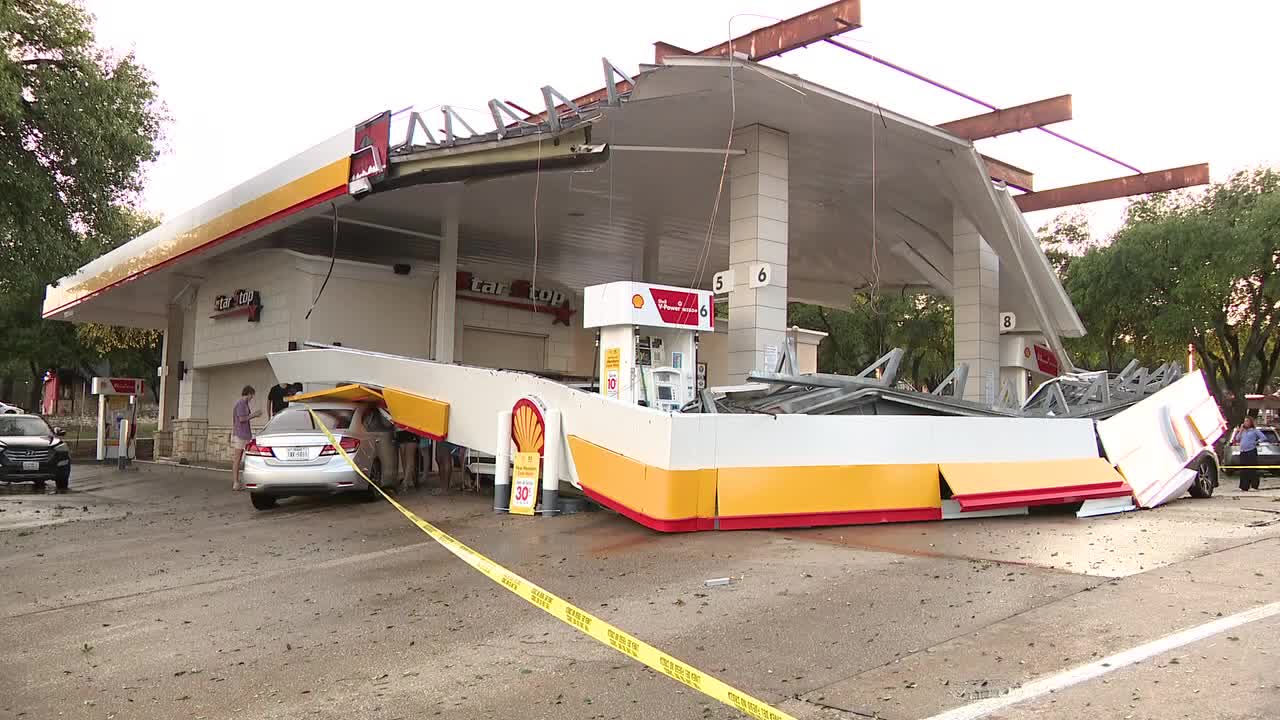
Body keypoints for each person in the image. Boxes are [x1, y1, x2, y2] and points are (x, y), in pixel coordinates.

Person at [230, 385, 261, 492]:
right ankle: (236, 482)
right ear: (248, 394)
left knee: (247, 458)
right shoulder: (240, 404)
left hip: (246, 434)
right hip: (240, 434)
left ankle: (243, 481)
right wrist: (254, 415)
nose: (252, 397)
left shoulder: (245, 404)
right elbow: (242, 419)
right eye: (252, 395)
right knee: (237, 459)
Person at [1238, 416, 1265, 491]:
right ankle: (1244, 486)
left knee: (1252, 469)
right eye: (1244, 421)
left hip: (1251, 451)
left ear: (1250, 423)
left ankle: (1254, 486)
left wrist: (1256, 442)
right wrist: (1240, 430)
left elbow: (1263, 437)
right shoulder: (1243, 431)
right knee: (1244, 469)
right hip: (1243, 451)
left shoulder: (1254, 431)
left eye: (1247, 421)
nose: (1245, 423)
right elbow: (1237, 438)